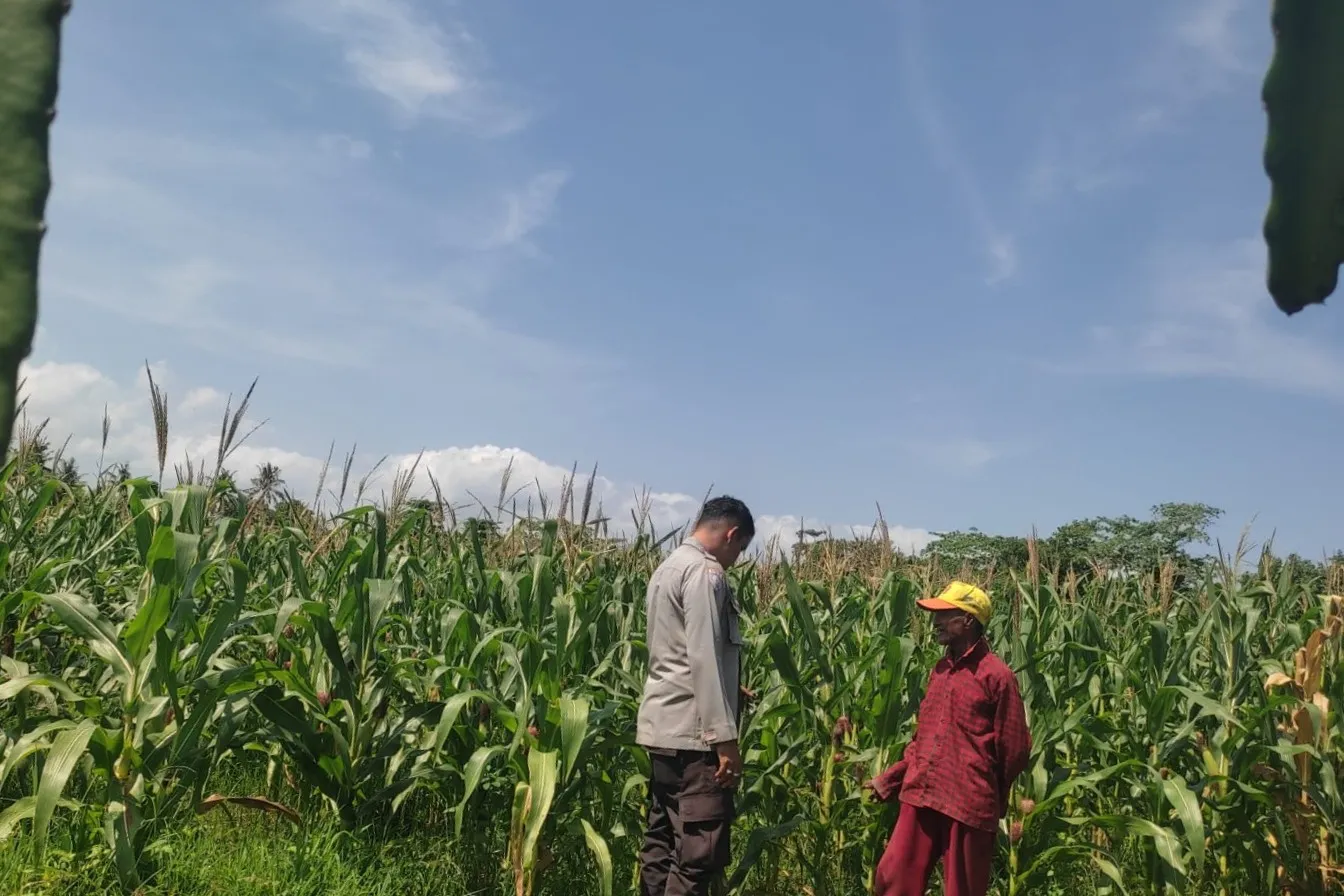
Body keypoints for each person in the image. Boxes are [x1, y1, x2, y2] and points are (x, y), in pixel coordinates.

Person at [863, 581, 1031, 896]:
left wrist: (988, 789)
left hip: (968, 802)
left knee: (962, 890)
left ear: (968, 620)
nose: (934, 623)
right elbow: (923, 740)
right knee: (892, 880)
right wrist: (890, 779)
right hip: (921, 791)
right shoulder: (939, 670)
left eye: (944, 615)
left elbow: (1015, 748)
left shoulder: (996, 676)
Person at [636, 496, 756, 896]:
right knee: (698, 854)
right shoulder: (706, 573)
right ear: (731, 534)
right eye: (739, 549)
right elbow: (702, 653)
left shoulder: (666, 568)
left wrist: (728, 683)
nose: (735, 559)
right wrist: (725, 740)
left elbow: (676, 650)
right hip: (695, 739)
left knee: (663, 842)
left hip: (662, 731)